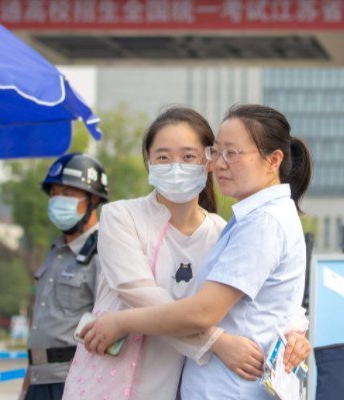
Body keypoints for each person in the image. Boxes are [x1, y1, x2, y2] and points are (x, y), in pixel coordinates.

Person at [64, 106, 311, 400]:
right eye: (163, 157)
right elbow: (140, 295)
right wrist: (216, 342)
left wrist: (295, 332)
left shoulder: (223, 231)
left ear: (206, 162)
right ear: (148, 161)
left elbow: (264, 296)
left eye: (189, 156)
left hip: (170, 386)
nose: (176, 167)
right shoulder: (121, 217)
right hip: (110, 381)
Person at [21, 153, 109, 400]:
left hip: (74, 380)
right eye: (54, 194)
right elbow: (42, 322)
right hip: (39, 379)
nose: (58, 200)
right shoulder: (57, 251)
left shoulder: (104, 251)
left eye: (68, 194)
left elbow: (109, 324)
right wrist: (27, 384)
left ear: (93, 199)